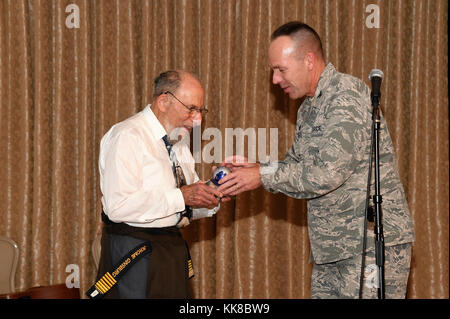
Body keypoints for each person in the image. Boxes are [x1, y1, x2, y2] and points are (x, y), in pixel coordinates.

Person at [217, 21, 415, 299]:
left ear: (309, 60)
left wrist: (262, 174)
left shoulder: (346, 95)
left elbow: (327, 173)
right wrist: (254, 168)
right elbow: (297, 167)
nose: (275, 79)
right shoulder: (309, 108)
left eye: (280, 69)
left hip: (367, 247)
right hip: (333, 250)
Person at [95, 70, 228, 298]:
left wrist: (214, 192)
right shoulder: (127, 136)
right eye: (192, 109)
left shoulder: (178, 140)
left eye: (201, 111)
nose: (198, 120)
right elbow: (119, 206)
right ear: (164, 101)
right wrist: (183, 196)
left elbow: (180, 203)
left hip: (170, 252)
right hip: (134, 253)